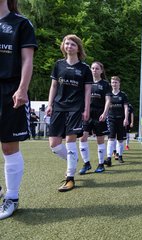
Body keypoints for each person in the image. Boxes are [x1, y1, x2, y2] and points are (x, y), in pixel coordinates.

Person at [0, 0, 37, 220]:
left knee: (8, 146)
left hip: (10, 89)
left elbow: (27, 59)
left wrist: (22, 89)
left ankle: (12, 198)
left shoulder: (21, 23)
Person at [46, 34, 92, 192]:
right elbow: (53, 86)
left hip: (75, 108)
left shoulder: (85, 68)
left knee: (70, 141)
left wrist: (86, 109)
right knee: (54, 144)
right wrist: (50, 104)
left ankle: (70, 178)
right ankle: (72, 159)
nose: (69, 46)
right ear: (63, 46)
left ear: (78, 48)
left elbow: (87, 91)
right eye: (67, 44)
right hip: (58, 106)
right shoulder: (58, 65)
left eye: (72, 44)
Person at [78, 61, 111, 174]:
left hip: (99, 115)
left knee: (100, 140)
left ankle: (101, 164)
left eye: (97, 68)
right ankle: (86, 163)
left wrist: (105, 112)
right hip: (87, 114)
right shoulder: (86, 83)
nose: (94, 70)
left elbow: (108, 100)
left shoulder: (105, 84)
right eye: (92, 68)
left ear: (101, 71)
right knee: (82, 138)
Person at [104, 76, 129, 166]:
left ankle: (120, 156)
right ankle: (109, 158)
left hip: (121, 119)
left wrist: (126, 118)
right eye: (112, 82)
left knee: (120, 140)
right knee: (110, 138)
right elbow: (106, 106)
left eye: (116, 82)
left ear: (119, 84)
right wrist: (104, 114)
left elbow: (126, 107)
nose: (114, 84)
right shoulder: (108, 94)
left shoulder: (123, 95)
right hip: (111, 119)